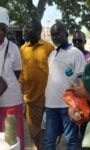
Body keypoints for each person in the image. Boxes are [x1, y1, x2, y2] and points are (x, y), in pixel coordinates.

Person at [43, 22, 86, 150]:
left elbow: (81, 81)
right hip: (50, 105)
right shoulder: (52, 54)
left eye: (58, 34)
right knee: (49, 141)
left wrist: (76, 106)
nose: (55, 37)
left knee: (71, 140)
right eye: (52, 35)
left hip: (68, 106)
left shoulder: (76, 53)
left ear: (66, 34)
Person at [19, 20, 54, 150]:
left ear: (39, 31)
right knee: (33, 131)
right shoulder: (22, 49)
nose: (26, 31)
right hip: (29, 98)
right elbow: (22, 72)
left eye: (30, 29)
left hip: (47, 99)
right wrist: (19, 89)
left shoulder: (49, 48)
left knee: (46, 131)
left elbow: (54, 71)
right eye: (26, 29)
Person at [0, 7, 24, 150]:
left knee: (13, 137)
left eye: (3, 29)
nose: (1, 33)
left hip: (11, 100)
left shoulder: (14, 48)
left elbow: (17, 72)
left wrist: (5, 83)